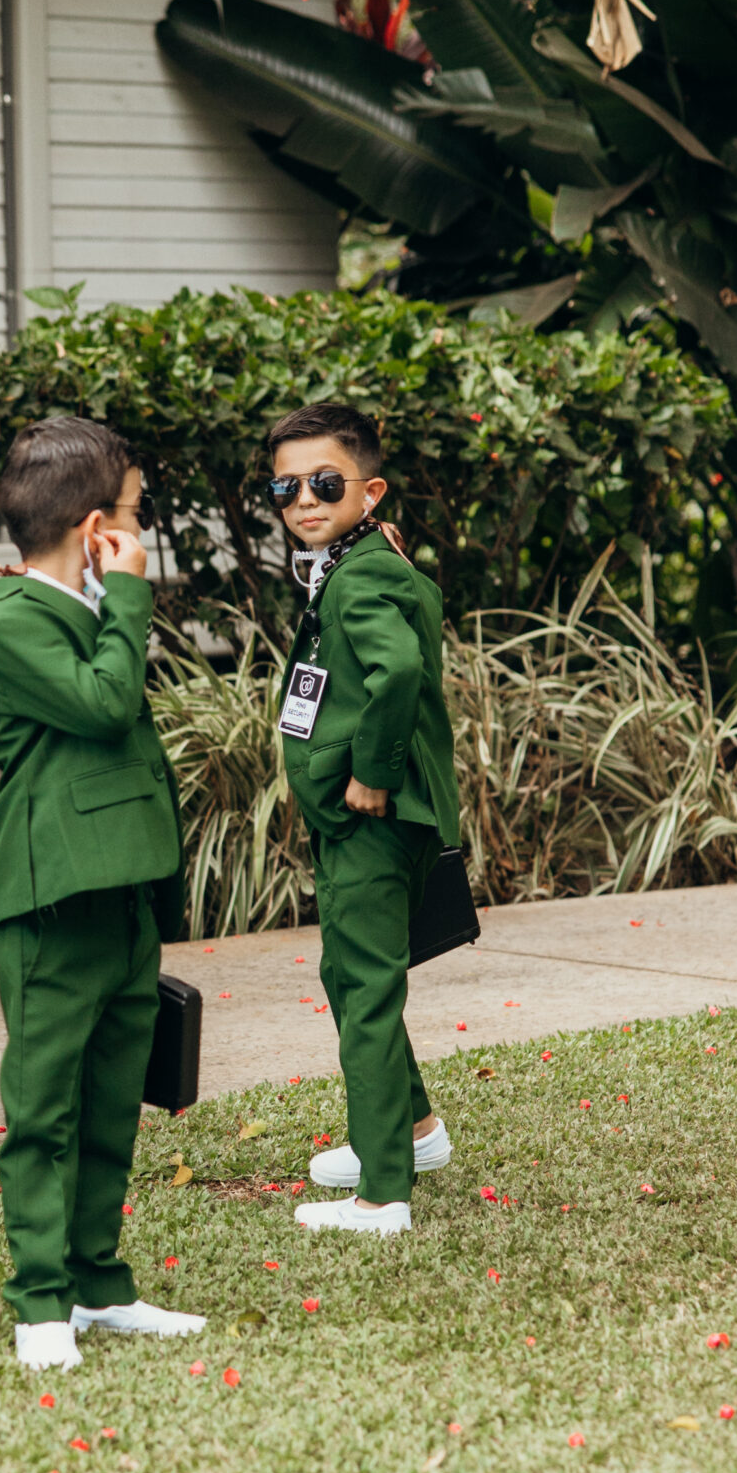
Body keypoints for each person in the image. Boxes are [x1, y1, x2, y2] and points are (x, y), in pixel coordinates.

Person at [0, 415, 205, 1370]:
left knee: (112, 1100)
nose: (142, 531)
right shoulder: (15, 618)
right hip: (51, 904)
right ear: (93, 525)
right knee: (46, 1108)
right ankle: (40, 1302)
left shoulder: (81, 611)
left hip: (118, 900)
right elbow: (106, 706)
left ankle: (98, 1286)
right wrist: (127, 595)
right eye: (134, 513)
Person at [268, 401, 460, 1236]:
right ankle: (409, 1132)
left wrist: (371, 777)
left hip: (370, 816)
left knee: (367, 987)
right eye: (285, 486)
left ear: (368, 490)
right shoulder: (354, 562)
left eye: (322, 482)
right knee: (348, 976)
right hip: (356, 814)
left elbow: (399, 672)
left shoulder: (364, 572)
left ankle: (383, 1193)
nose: (302, 500)